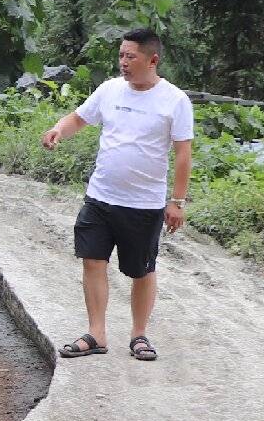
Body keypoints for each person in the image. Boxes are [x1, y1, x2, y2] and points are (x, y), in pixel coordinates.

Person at [42, 27, 194, 362]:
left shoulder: (175, 101)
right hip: (100, 196)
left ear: (152, 59)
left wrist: (177, 201)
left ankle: (139, 334)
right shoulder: (110, 90)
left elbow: (183, 153)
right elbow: (79, 118)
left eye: (131, 56)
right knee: (92, 260)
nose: (123, 62)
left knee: (142, 270)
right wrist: (58, 130)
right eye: (121, 55)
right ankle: (96, 333)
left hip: (144, 204)